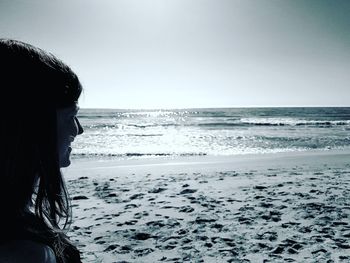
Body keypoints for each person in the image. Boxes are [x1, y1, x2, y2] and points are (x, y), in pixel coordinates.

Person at [0, 38, 84, 263]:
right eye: (71, 115)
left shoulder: (17, 216)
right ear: (33, 125)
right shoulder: (23, 254)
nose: (80, 129)